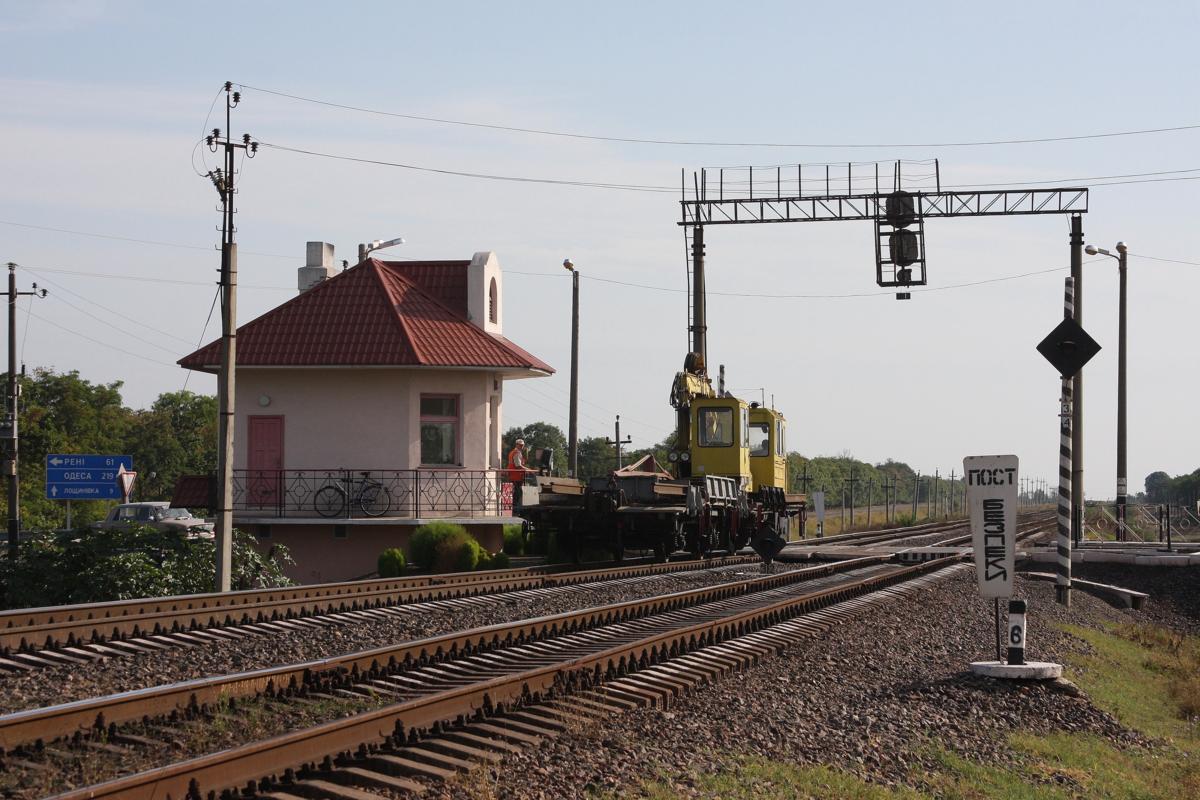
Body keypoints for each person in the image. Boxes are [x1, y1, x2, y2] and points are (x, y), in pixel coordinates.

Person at [506, 438, 532, 507]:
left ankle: (514, 507)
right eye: (520, 445)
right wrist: (528, 470)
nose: (522, 446)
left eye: (522, 445)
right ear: (517, 445)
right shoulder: (516, 453)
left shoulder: (512, 452)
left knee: (516, 492)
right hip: (516, 476)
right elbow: (518, 466)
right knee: (518, 493)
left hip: (513, 475)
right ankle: (516, 508)